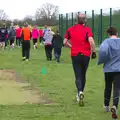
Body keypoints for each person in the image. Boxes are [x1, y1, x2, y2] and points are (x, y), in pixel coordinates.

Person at [63, 13, 96, 106]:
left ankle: (79, 92)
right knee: (83, 74)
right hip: (85, 54)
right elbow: (91, 41)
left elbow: (64, 42)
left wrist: (71, 46)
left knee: (77, 75)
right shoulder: (87, 29)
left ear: (76, 20)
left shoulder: (70, 29)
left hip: (75, 54)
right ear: (85, 20)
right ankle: (81, 92)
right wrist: (93, 51)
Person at [98, 27, 120, 119]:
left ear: (108, 34)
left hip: (108, 68)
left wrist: (101, 61)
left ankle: (106, 105)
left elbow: (103, 51)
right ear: (117, 33)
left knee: (108, 86)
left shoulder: (106, 42)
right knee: (117, 88)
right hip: (118, 69)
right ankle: (114, 105)